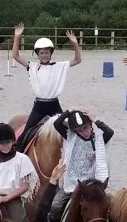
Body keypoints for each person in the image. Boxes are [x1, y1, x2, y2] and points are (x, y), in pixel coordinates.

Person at [48, 108, 113, 222]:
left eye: (86, 127)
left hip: (93, 184)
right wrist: (70, 111)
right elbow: (58, 123)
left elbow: (109, 132)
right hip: (72, 183)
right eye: (80, 130)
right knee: (55, 208)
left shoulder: (98, 138)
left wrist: (94, 119)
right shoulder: (69, 136)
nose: (84, 131)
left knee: (113, 206)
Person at [11, 23, 82, 151]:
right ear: (37, 54)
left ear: (51, 53)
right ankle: (18, 156)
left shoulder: (59, 66)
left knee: (69, 129)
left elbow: (77, 60)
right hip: (39, 106)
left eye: (47, 52)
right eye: (41, 53)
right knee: (26, 132)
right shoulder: (32, 67)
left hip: (54, 104)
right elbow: (15, 56)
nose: (44, 55)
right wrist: (17, 37)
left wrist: (75, 44)